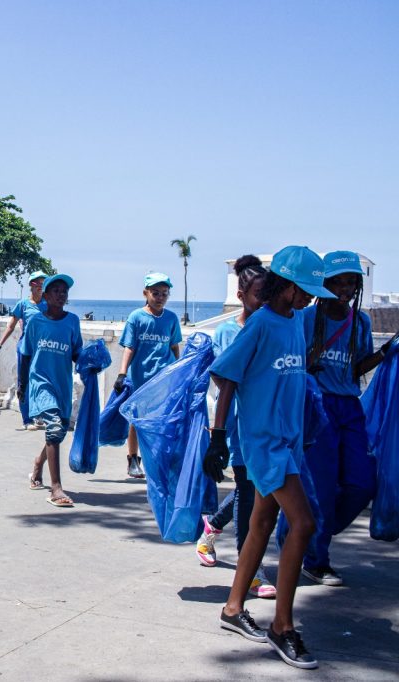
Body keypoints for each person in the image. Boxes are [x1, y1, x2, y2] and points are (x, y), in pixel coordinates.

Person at [205, 245, 328, 670]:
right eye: (305, 290)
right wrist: (218, 437)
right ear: (285, 284)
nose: (311, 298)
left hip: (289, 442)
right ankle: (282, 626)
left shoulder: (295, 322)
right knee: (305, 524)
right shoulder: (258, 324)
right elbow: (225, 374)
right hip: (264, 444)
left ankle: (233, 608)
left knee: (261, 523)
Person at [298, 250, 394, 587]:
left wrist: (384, 354)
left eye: (351, 282)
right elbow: (295, 365)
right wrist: (312, 359)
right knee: (321, 488)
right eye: (338, 282)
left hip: (350, 408)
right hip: (318, 406)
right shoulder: (308, 318)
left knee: (362, 483)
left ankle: (310, 529)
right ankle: (315, 560)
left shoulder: (362, 322)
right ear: (325, 284)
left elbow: (356, 369)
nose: (345, 288)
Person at [193, 256, 276, 599]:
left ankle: (212, 527)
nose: (265, 303)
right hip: (239, 424)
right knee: (249, 490)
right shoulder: (227, 332)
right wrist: (218, 435)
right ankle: (251, 568)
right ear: (242, 295)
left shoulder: (274, 326)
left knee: (257, 491)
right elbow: (221, 378)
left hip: (269, 424)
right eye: (259, 296)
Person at [19, 274, 82, 506]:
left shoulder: (72, 321)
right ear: (45, 295)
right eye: (55, 290)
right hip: (41, 382)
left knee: (59, 431)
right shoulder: (36, 322)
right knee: (54, 427)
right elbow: (26, 355)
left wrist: (90, 364)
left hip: (62, 384)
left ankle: (38, 463)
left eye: (64, 291)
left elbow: (76, 353)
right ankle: (56, 489)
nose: (60, 294)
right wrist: (22, 385)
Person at [115, 273, 182, 479]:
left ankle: (158, 458)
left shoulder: (171, 319)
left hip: (163, 380)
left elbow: (174, 347)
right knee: (137, 420)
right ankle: (133, 458)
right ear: (146, 293)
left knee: (162, 419)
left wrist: (178, 372)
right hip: (140, 379)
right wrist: (122, 373)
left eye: (164, 293)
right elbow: (129, 347)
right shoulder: (137, 317)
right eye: (155, 293)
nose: (160, 297)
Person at [0, 270, 48, 430]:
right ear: (32, 284)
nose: (42, 287)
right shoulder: (23, 304)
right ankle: (27, 419)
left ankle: (39, 415)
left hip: (43, 351)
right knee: (23, 384)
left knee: (41, 383)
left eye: (44, 284)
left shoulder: (48, 304)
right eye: (40, 283)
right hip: (25, 349)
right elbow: (10, 326)